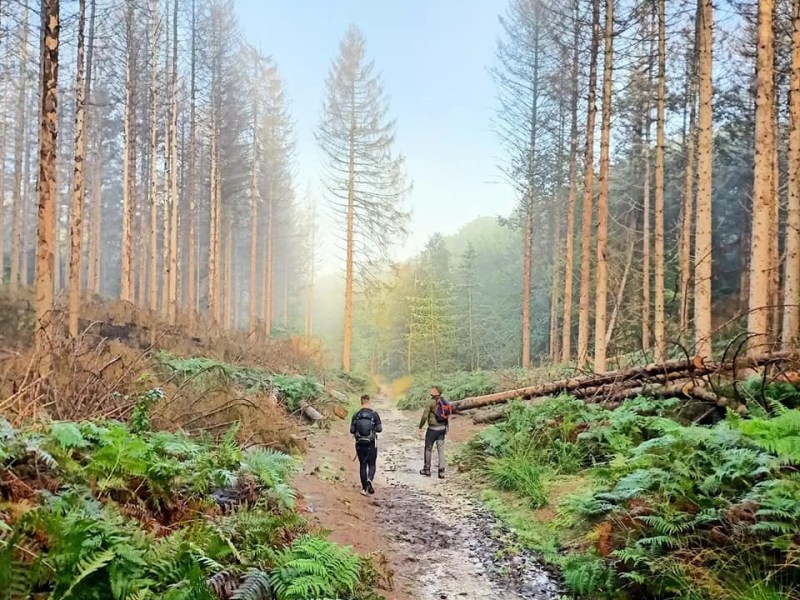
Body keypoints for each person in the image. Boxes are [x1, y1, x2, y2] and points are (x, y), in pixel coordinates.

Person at [350, 394, 382, 496]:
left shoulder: (356, 415)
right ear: (369, 402)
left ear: (361, 402)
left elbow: (352, 430)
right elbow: (380, 429)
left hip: (360, 444)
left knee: (362, 465)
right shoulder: (374, 414)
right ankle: (369, 480)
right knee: (372, 464)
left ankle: (364, 489)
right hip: (371, 444)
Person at [417, 386, 451, 479]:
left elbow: (424, 416)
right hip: (442, 429)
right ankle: (441, 472)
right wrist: (446, 427)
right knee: (441, 450)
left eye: (433, 389)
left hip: (432, 429)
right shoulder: (444, 401)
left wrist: (420, 427)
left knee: (428, 448)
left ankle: (427, 469)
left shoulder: (430, 402)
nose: (431, 390)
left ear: (436, 392)